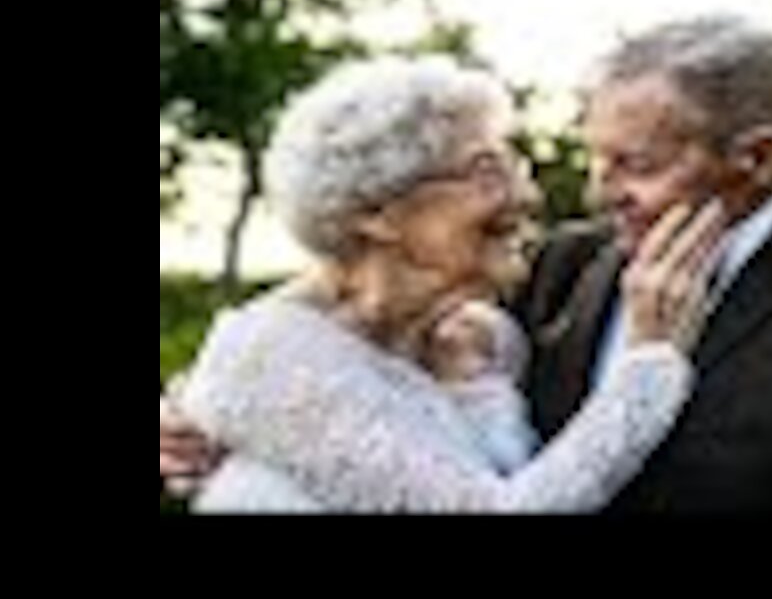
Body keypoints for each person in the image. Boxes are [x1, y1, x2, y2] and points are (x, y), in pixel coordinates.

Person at [163, 15, 772, 513]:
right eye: (600, 159)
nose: (598, 191)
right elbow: (344, 354)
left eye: (637, 165)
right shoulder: (559, 269)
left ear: (754, 159)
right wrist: (208, 409)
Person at [164, 55, 726, 513]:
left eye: (515, 165)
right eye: (486, 171)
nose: (525, 197)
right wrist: (649, 364)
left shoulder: (485, 336)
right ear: (376, 214)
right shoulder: (275, 356)